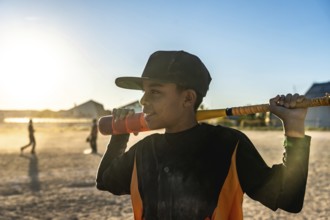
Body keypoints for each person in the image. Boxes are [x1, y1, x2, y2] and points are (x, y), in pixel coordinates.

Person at [96, 50, 310, 219]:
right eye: (143, 92)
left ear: (188, 99)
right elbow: (106, 181)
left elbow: (288, 198)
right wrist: (119, 133)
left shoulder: (229, 146)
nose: (143, 101)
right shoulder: (144, 151)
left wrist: (294, 127)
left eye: (155, 91)